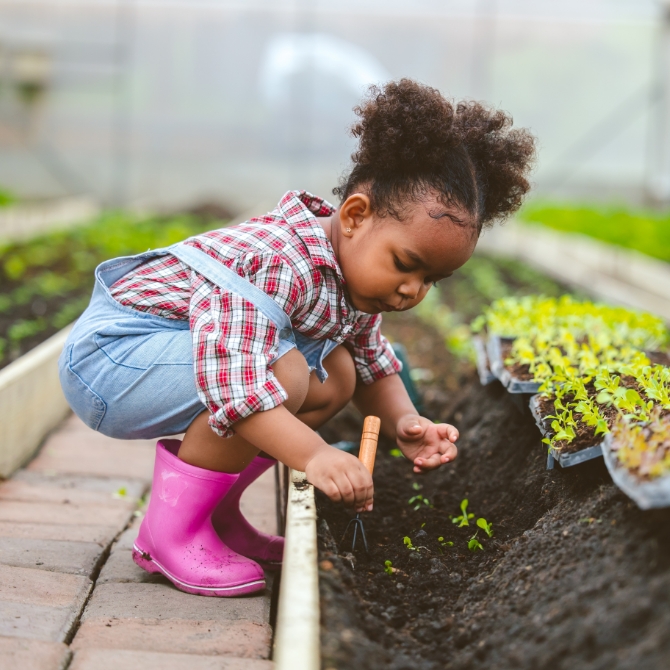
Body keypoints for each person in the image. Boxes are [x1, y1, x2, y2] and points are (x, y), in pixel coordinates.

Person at [58, 79, 535, 597]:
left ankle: (214, 516)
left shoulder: (349, 280)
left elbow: (374, 363)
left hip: (169, 358)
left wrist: (405, 422)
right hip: (111, 361)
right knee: (280, 373)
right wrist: (314, 455)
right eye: (406, 265)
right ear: (354, 216)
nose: (412, 291)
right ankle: (170, 535)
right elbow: (237, 384)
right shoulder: (278, 261)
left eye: (431, 281)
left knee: (339, 375)